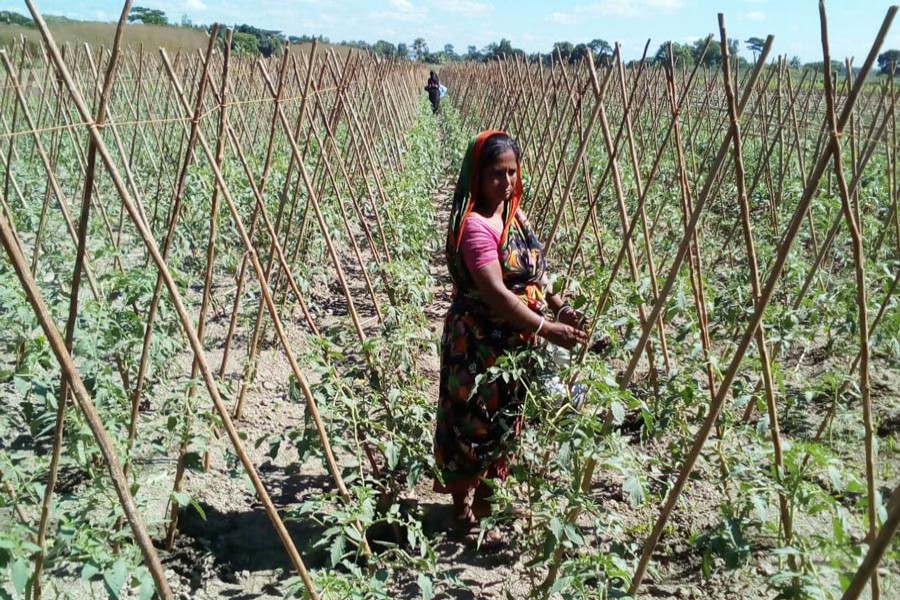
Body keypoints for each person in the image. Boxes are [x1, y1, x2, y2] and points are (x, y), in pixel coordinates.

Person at [433, 130, 588, 541]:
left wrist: (560, 306)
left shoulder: (515, 214)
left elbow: (537, 271)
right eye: (496, 174)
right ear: (477, 177)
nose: (505, 183)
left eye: (512, 173)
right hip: (478, 346)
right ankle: (464, 511)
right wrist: (546, 327)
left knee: (505, 424)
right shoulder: (474, 227)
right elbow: (497, 294)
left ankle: (485, 511)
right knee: (472, 427)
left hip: (516, 344)